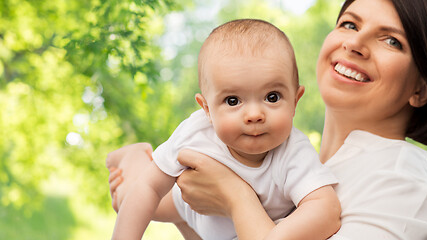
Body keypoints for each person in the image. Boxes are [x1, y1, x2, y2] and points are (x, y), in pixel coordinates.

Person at [107, 0, 427, 239]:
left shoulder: (398, 179)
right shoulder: (305, 159)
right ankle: (135, 164)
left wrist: (233, 194)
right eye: (349, 24)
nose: (355, 43)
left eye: (392, 41)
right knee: (147, 192)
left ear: (422, 90)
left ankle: (135, 163)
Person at [109, 19, 341, 240]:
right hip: (187, 204)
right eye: (233, 101)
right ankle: (133, 155)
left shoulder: (294, 152)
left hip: (232, 228)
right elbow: (148, 187)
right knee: (127, 196)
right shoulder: (196, 134)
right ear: (207, 109)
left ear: (295, 102)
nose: (254, 115)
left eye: (272, 97)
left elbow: (326, 209)